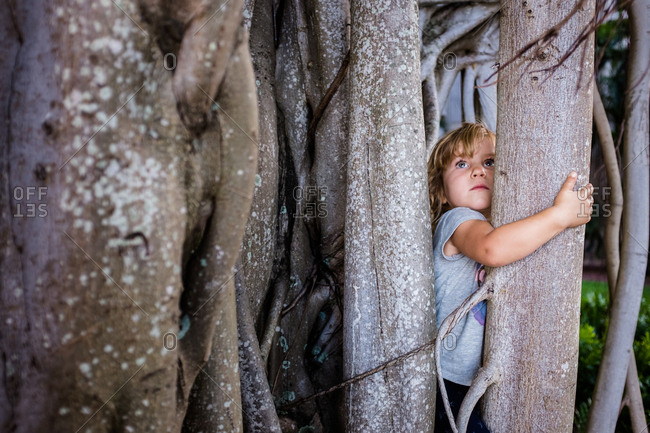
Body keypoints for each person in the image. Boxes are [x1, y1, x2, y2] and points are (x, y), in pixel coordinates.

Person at [427, 123, 593, 433]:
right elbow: (493, 249)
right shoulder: (458, 220)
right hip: (448, 380)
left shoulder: (493, 223)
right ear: (440, 192)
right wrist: (559, 217)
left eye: (489, 162)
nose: (478, 171)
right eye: (462, 164)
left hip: (477, 378)